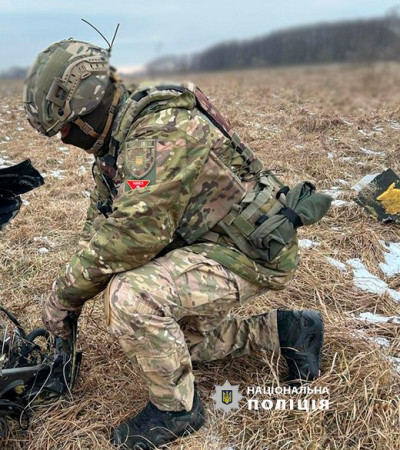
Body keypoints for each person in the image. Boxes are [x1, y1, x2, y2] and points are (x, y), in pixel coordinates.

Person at [22, 39, 331, 449]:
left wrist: (64, 297)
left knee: (133, 298)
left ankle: (177, 410)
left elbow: (133, 236)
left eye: (66, 126)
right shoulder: (120, 132)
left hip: (246, 250)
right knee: (172, 348)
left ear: (88, 104)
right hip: (209, 241)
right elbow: (102, 224)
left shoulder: (161, 129)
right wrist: (69, 296)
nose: (64, 137)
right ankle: (287, 330)